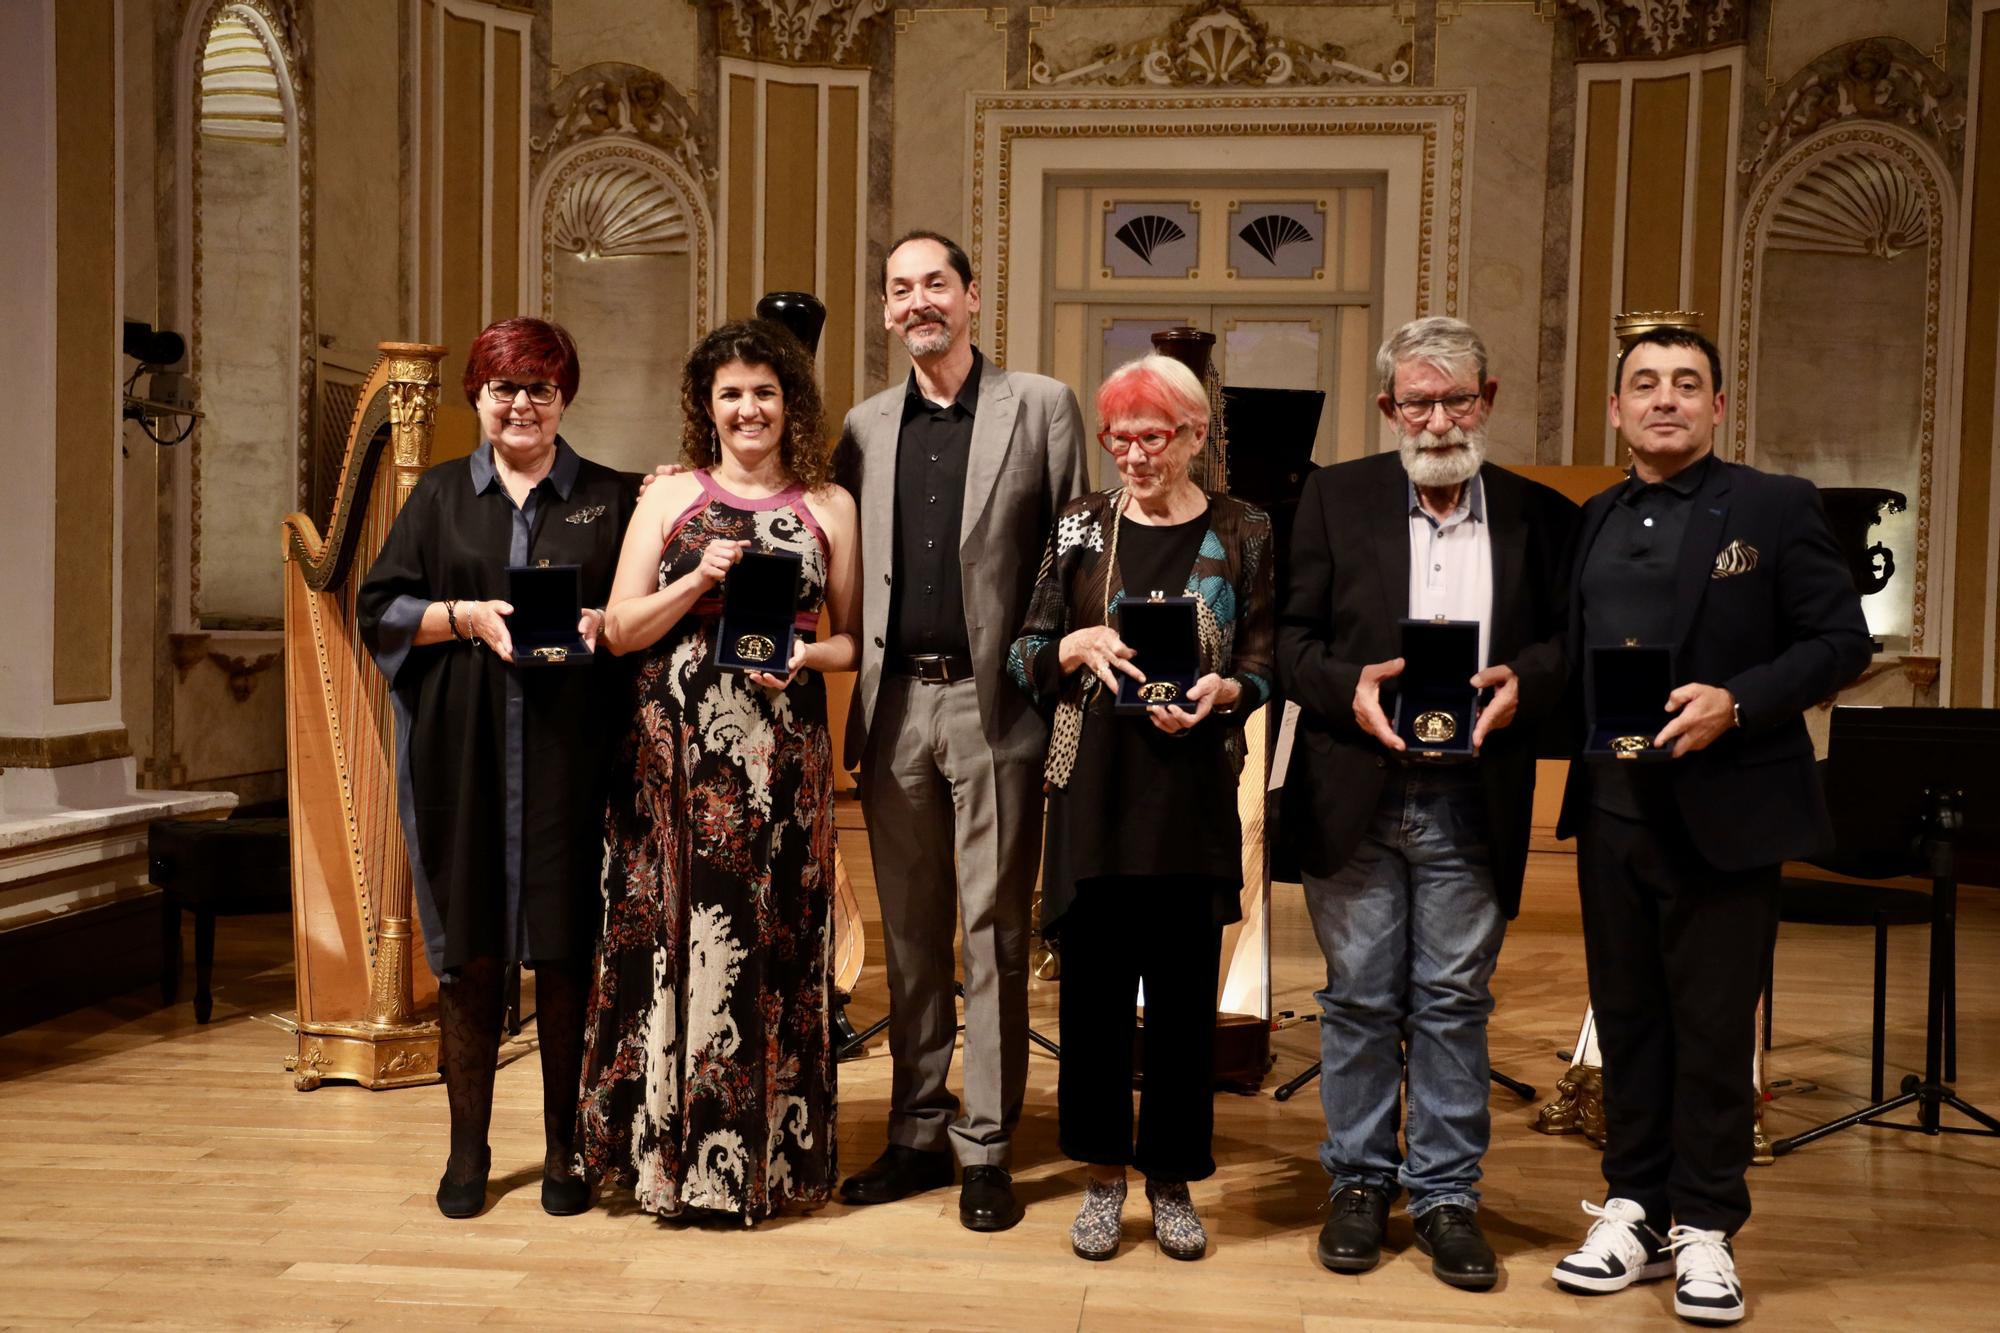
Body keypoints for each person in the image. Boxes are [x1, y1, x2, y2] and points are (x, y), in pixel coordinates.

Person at [1550, 326, 1868, 1324]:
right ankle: (1632, 1209)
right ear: (1614, 410)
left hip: (1724, 811)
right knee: (1629, 1023)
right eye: (1643, 384)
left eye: (1686, 384)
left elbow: (1838, 640)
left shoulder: (1772, 507)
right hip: (1609, 809)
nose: (1664, 399)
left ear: (1717, 407)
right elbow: (1570, 657)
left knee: (1711, 1030)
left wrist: (1737, 699)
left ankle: (1706, 1228)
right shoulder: (1593, 516)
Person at [1276, 316, 1579, 1289]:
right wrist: (1348, 686)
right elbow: (1284, 642)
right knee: (1357, 1001)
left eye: (1456, 399)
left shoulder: (1541, 516)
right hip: (1355, 793)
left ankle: (1446, 1193)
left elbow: (1571, 647)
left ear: (1486, 401)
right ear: (1386, 408)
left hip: (1472, 795)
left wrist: (1521, 680)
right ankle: (1358, 1183)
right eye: (1418, 400)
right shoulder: (1331, 498)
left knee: (1453, 1003)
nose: (1438, 418)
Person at [574, 319, 859, 1224]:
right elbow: (619, 630)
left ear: (791, 405)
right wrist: (698, 578)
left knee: (770, 939)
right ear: (708, 404)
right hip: (674, 761)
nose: (748, 409)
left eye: (765, 393)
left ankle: (763, 1167)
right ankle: (668, 1163)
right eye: (731, 393)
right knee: (674, 944)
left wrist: (807, 662)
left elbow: (851, 637)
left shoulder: (832, 504)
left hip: (784, 765)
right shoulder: (667, 498)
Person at [832, 230, 1089, 1231]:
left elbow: (1074, 552)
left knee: (991, 930)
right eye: (898, 288)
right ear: (888, 310)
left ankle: (985, 1144)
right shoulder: (861, 425)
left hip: (997, 707)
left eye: (933, 282)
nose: (916, 301)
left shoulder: (1040, 407)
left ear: (972, 296)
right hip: (893, 703)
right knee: (908, 937)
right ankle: (913, 1132)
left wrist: (1058, 690)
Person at [357, 317, 633, 1220]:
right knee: (472, 958)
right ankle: (466, 1149)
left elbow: (640, 615)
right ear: (477, 398)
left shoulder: (609, 495)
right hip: (465, 753)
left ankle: (565, 1149)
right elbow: (382, 608)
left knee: (565, 956)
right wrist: (466, 616)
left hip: (571, 756)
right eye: (504, 387)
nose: (521, 403)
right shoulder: (437, 496)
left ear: (565, 398)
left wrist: (603, 623)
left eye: (540, 387)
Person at [1007, 354, 1272, 1261]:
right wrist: (1073, 644)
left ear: (1194, 436)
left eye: (1151, 437)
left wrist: (1229, 692)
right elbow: (1026, 649)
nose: (1131, 455)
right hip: (1096, 789)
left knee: (1184, 998)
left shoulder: (1245, 528)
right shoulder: (1080, 523)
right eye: (1118, 438)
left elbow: (1267, 649)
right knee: (1093, 997)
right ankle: (1102, 1176)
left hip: (1191, 789)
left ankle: (1169, 1178)